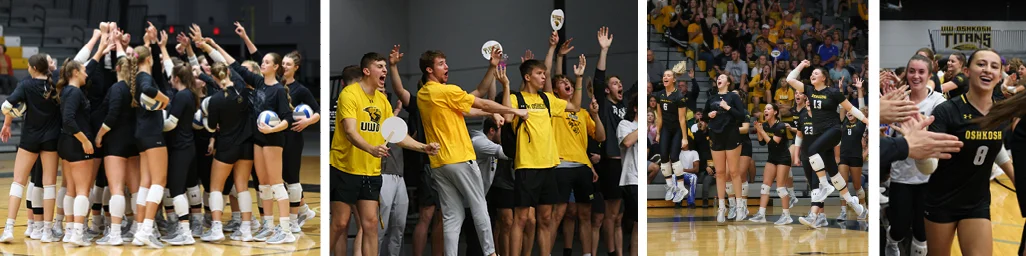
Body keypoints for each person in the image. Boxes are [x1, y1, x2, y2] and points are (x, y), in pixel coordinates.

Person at [927, 49, 1015, 256]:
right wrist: (921, 155)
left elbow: (995, 146)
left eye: (994, 66)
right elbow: (929, 164)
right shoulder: (946, 111)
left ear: (1000, 74)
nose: (988, 70)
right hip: (942, 200)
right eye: (981, 64)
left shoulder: (1001, 113)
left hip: (977, 202)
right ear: (967, 71)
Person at [785, 59, 866, 228]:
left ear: (824, 78)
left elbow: (850, 108)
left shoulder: (833, 92)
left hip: (834, 130)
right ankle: (855, 204)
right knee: (835, 175)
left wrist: (867, 120)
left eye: (816, 73)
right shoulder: (809, 90)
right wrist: (801, 65)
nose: (813, 75)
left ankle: (823, 185)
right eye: (812, 74)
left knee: (812, 150)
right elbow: (790, 80)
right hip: (821, 135)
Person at [884, 54, 946, 256]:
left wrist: (917, 133)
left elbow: (938, 137)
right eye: (912, 71)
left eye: (921, 72)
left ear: (929, 75)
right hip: (902, 175)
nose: (916, 76)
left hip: (930, 176)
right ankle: (891, 242)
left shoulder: (938, 101)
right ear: (907, 74)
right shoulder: (898, 101)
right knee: (899, 227)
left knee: (922, 231)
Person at [704, 73, 746, 223]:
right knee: (720, 172)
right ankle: (722, 207)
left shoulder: (733, 97)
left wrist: (727, 107)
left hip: (731, 135)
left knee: (734, 172)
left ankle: (740, 206)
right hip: (716, 136)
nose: (719, 79)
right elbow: (703, 116)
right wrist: (709, 115)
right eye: (718, 78)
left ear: (728, 82)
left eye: (722, 77)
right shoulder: (711, 98)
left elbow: (741, 115)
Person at [748, 103, 792, 225]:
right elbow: (762, 143)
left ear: (775, 112)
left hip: (783, 158)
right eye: (765, 109)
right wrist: (759, 130)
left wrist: (762, 131)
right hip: (772, 158)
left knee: (780, 188)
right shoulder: (766, 125)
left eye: (768, 109)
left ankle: (786, 215)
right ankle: (761, 214)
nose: (765, 110)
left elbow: (773, 144)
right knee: (765, 186)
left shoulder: (781, 126)